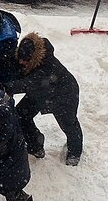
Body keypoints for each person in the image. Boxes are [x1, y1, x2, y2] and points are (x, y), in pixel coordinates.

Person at [5, 32, 84, 166]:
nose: (21, 62)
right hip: (39, 92)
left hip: (64, 94)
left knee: (69, 124)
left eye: (24, 60)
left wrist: (5, 87)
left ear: (33, 58)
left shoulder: (47, 66)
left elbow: (26, 84)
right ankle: (35, 144)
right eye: (20, 58)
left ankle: (75, 151)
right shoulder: (28, 56)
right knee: (21, 115)